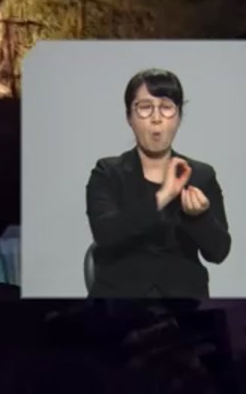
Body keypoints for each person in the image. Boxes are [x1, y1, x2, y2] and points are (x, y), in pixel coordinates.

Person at [85, 68, 232, 298]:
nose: (156, 118)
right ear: (129, 118)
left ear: (179, 117)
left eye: (166, 107)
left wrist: (199, 217)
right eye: (144, 108)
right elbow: (105, 235)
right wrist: (163, 196)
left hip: (184, 302)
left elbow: (219, 252)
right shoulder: (108, 172)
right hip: (120, 302)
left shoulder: (201, 174)